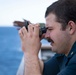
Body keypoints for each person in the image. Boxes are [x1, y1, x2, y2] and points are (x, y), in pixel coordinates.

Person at [18, 0, 76, 75]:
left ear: (70, 27)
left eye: (50, 29)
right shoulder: (65, 52)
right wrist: (29, 46)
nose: (46, 35)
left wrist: (30, 53)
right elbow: (44, 70)